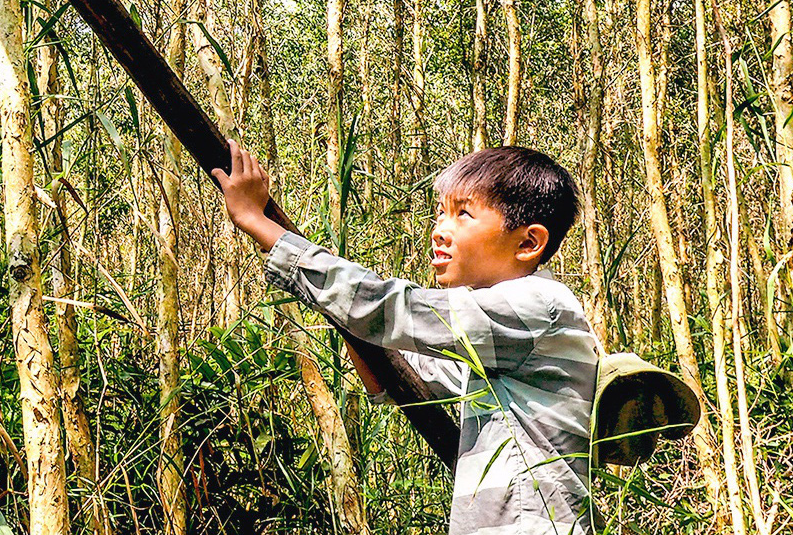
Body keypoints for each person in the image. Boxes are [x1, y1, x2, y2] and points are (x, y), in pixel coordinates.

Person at [215, 141, 601, 535]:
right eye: (440, 213)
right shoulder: (497, 338)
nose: (439, 231)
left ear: (528, 243)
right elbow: (400, 375)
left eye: (462, 214)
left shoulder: (537, 306)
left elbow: (394, 309)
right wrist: (348, 312)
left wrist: (256, 222)